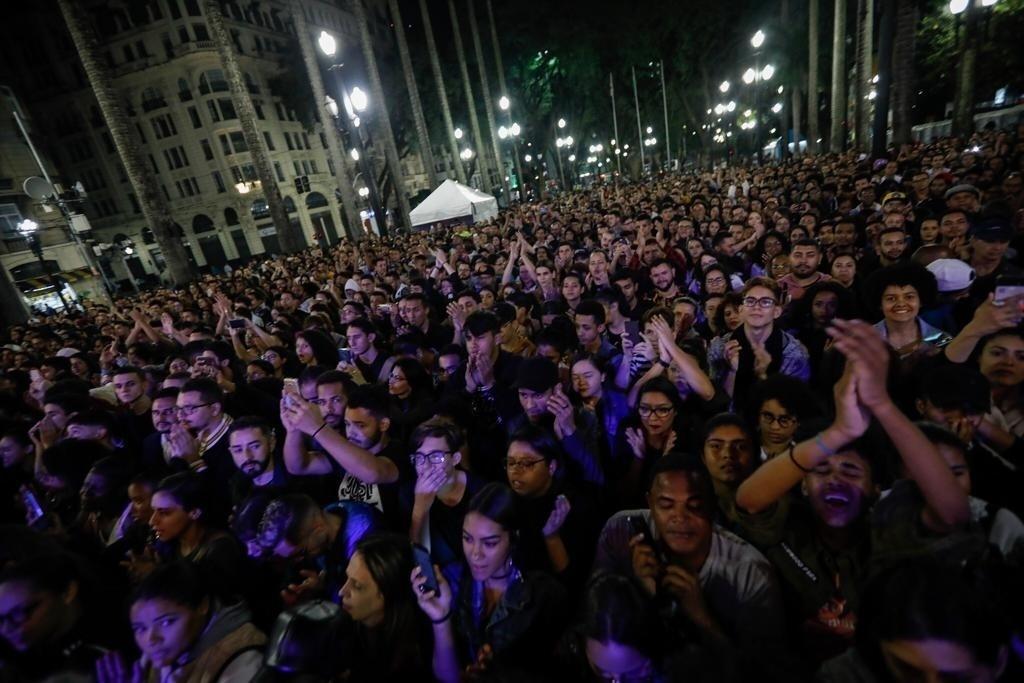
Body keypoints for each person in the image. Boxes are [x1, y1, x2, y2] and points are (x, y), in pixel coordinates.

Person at [593, 452, 789, 676]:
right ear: (649, 502)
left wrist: (701, 618)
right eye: (666, 505)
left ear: (712, 507)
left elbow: (763, 672)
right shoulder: (620, 532)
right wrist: (639, 593)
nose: (680, 517)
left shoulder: (751, 572)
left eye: (694, 506)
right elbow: (594, 622)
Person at [410, 482, 568, 678]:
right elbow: (447, 677)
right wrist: (440, 619)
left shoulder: (542, 594)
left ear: (513, 538)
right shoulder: (452, 580)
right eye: (467, 539)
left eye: (490, 543)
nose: (475, 554)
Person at [96, 561, 265, 683]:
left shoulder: (242, 663)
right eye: (140, 628)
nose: (150, 639)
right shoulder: (158, 654)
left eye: (166, 623)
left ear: (202, 606)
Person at [338, 534, 439, 681]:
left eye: (358, 586)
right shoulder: (345, 630)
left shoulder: (417, 656)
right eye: (347, 578)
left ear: (388, 593)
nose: (342, 592)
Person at [708, 277, 811, 401]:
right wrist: (732, 371)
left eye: (766, 302)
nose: (756, 307)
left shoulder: (794, 354)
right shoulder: (719, 346)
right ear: (741, 309)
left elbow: (791, 405)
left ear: (777, 311)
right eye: (750, 301)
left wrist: (763, 375)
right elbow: (718, 403)